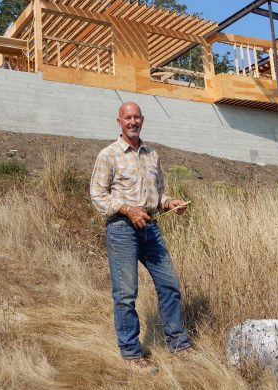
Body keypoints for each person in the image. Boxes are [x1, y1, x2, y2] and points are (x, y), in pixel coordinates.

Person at [90, 101, 193, 371]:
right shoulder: (109, 154)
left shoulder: (152, 155)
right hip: (122, 228)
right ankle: (132, 354)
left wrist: (170, 203)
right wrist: (127, 209)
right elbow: (97, 195)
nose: (132, 122)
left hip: (151, 226)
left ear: (142, 120)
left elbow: (159, 196)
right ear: (119, 122)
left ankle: (178, 344)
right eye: (128, 118)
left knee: (169, 285)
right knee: (126, 294)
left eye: (136, 117)